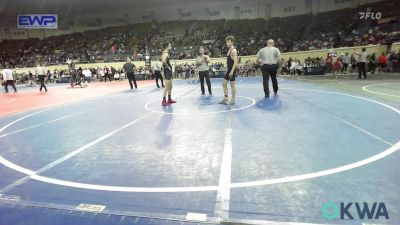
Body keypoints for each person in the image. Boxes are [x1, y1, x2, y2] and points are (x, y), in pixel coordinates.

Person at [220, 36, 238, 105]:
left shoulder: (233, 50)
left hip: (232, 70)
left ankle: (233, 100)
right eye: (226, 42)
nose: (226, 43)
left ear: (232, 42)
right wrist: (228, 70)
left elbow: (235, 62)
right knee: (224, 84)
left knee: (232, 85)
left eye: (228, 42)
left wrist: (231, 71)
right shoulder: (229, 50)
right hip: (229, 69)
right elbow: (230, 61)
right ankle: (226, 98)